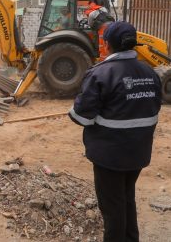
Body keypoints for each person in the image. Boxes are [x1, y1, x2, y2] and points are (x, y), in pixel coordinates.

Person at [68, 21, 162, 242]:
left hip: (110, 156)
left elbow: (81, 116)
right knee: (126, 197)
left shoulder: (101, 74)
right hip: (138, 153)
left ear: (108, 44)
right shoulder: (150, 72)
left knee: (112, 208)